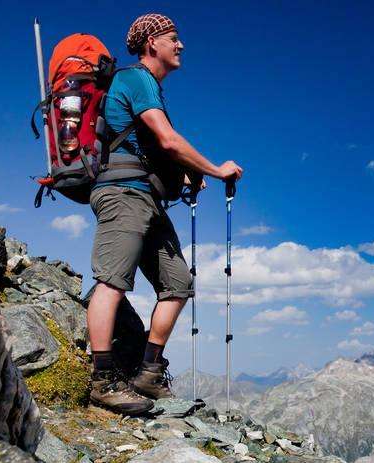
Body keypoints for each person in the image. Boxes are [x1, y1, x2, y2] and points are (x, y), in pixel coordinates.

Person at [86, 13, 243, 415]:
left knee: (177, 282)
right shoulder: (136, 79)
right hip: (122, 194)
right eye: (174, 38)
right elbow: (169, 142)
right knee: (113, 281)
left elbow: (160, 151)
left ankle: (149, 373)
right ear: (151, 42)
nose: (181, 45)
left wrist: (187, 177)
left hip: (148, 200)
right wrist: (214, 168)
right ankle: (102, 380)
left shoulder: (148, 88)